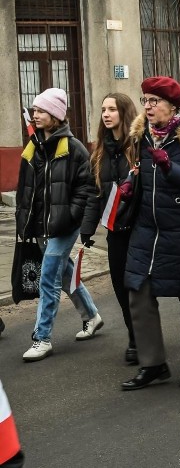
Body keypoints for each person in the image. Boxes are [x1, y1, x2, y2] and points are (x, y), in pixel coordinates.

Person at [122, 76, 180, 389]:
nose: (147, 107)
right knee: (138, 294)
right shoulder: (142, 137)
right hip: (147, 229)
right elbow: (138, 173)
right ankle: (153, 364)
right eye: (145, 100)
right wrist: (129, 184)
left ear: (173, 106)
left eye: (154, 101)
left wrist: (170, 168)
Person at [17, 88, 104, 362]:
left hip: (64, 227)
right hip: (41, 226)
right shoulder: (33, 145)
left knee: (48, 279)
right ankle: (91, 314)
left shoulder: (74, 148)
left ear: (55, 115)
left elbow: (88, 189)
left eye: (41, 110)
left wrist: (70, 216)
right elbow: (26, 189)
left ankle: (41, 338)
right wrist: (24, 221)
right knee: (64, 274)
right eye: (34, 109)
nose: (35, 114)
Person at [81, 93, 138, 364]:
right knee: (120, 285)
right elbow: (95, 193)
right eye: (103, 109)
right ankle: (134, 334)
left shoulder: (137, 147)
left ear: (123, 113)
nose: (106, 114)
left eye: (112, 109)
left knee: (139, 287)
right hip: (114, 229)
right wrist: (87, 228)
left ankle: (141, 337)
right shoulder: (100, 152)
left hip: (139, 228)